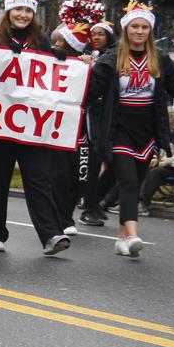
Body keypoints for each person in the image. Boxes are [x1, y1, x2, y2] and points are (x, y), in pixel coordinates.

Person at [89, 1, 174, 257]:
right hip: (119, 129)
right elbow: (93, 91)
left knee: (134, 184)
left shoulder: (160, 59)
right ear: (126, 30)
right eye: (135, 26)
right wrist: (85, 70)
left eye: (144, 27)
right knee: (127, 182)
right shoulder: (112, 58)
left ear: (150, 30)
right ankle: (134, 235)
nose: (139, 31)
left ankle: (122, 238)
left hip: (146, 131)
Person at [0, 0, 71, 255]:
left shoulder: (41, 41)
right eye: (18, 9)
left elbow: (52, 77)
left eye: (27, 11)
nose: (22, 15)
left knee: (38, 179)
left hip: (31, 124)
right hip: (0, 123)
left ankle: (50, 235)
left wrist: (61, 60)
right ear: (8, 12)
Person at [48, 22, 94, 237]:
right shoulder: (49, 60)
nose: (56, 43)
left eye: (61, 41)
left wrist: (90, 69)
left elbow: (95, 93)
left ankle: (67, 212)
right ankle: (63, 218)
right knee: (59, 175)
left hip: (81, 130)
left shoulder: (85, 64)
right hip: (57, 128)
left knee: (80, 178)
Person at [80, 20, 117, 227]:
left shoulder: (113, 55)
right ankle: (89, 207)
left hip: (110, 115)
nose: (95, 37)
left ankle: (96, 201)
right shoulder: (88, 54)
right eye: (93, 34)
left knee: (114, 161)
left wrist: (92, 66)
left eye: (101, 34)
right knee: (94, 160)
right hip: (93, 115)